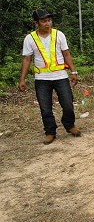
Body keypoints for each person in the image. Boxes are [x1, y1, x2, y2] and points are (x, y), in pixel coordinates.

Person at [19, 9, 81, 145]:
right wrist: (22, 79)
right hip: (42, 79)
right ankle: (50, 132)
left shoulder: (59, 35)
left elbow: (66, 54)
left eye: (49, 20)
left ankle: (69, 125)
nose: (47, 23)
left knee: (68, 104)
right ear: (36, 23)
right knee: (45, 107)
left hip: (60, 76)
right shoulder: (30, 39)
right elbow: (27, 59)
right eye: (44, 21)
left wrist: (73, 72)